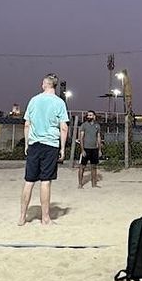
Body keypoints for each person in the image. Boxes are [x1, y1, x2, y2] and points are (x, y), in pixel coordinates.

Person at [20, 74, 69, 225]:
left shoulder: (34, 100)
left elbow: (27, 124)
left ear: (44, 84)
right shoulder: (59, 102)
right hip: (50, 144)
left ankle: (22, 217)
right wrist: (62, 147)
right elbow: (64, 127)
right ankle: (45, 218)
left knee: (29, 181)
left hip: (35, 143)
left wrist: (27, 144)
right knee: (45, 181)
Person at [75, 110, 103, 189]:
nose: (89, 117)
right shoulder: (84, 125)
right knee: (82, 167)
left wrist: (99, 150)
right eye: (88, 115)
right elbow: (81, 138)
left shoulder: (97, 126)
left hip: (94, 149)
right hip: (86, 149)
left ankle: (94, 184)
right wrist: (82, 150)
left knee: (94, 167)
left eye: (90, 115)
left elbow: (98, 137)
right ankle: (80, 184)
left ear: (94, 116)